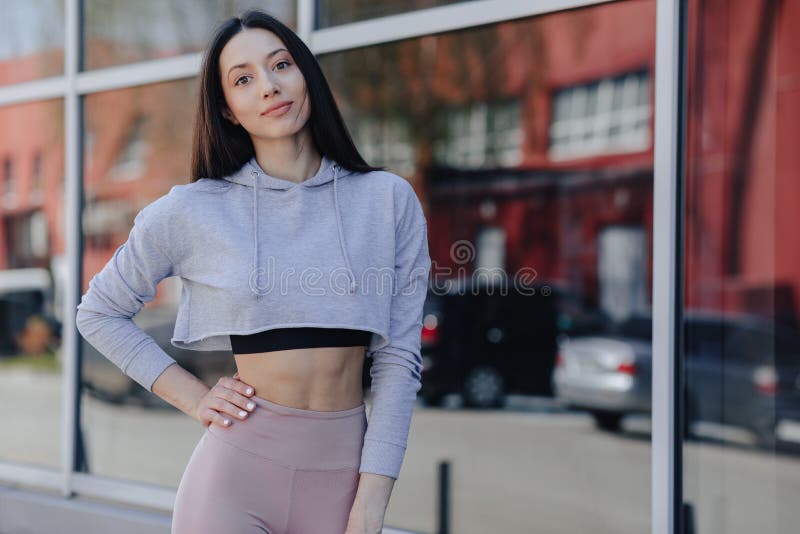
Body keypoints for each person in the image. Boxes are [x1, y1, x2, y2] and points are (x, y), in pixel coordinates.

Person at [75, 9, 431, 534]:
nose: (268, 86)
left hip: (343, 482)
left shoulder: (387, 201)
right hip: (233, 482)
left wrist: (372, 499)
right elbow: (99, 312)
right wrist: (194, 397)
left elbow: (400, 359)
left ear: (306, 73)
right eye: (243, 78)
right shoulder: (194, 210)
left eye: (281, 64)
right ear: (228, 109)